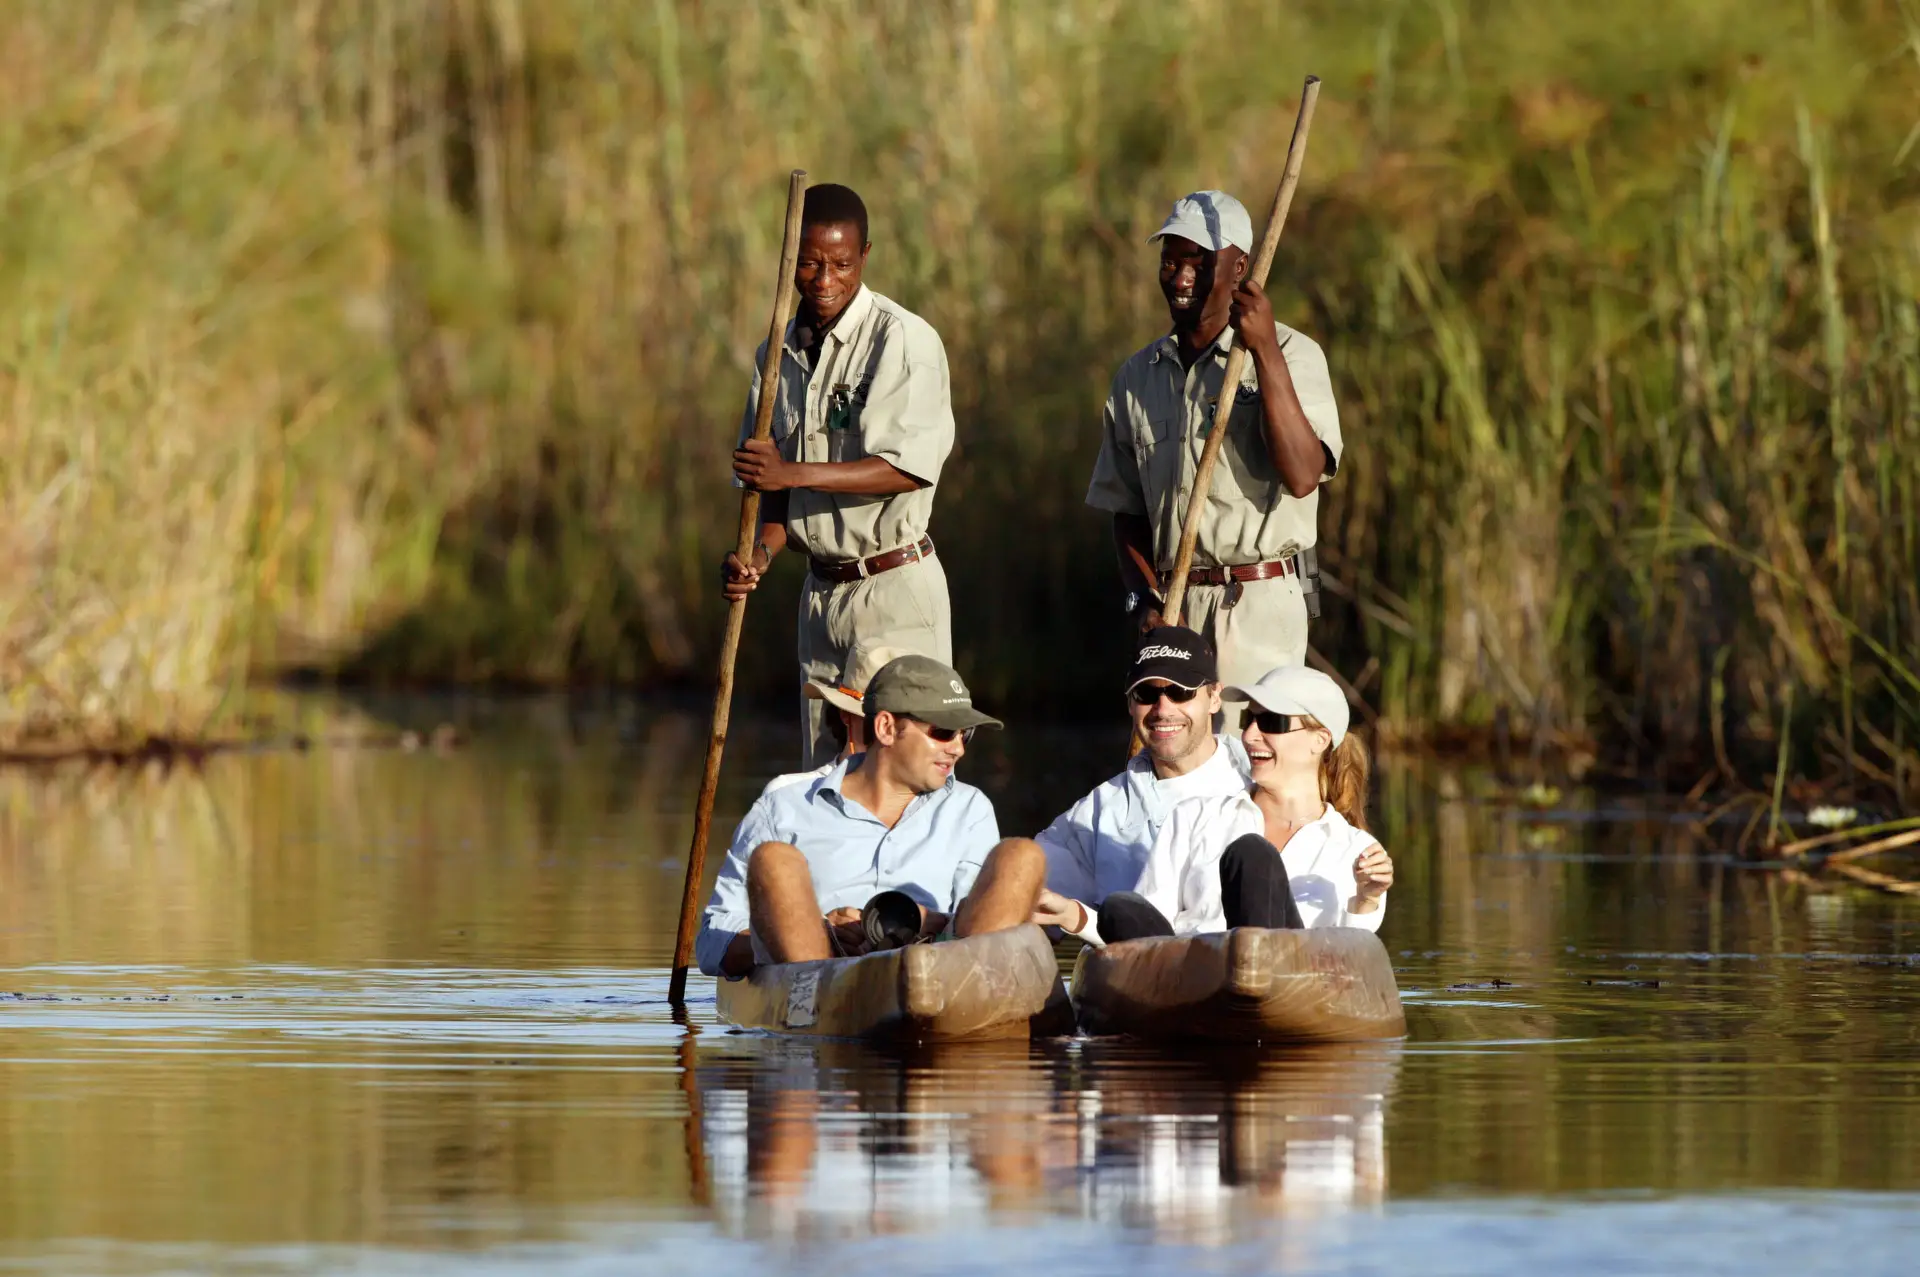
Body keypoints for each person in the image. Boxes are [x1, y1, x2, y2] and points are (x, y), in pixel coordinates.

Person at [720, 183, 956, 768]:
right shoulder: (775, 356)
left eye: (841, 264)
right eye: (808, 263)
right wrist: (759, 555)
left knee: (906, 773)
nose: (824, 280)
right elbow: (771, 494)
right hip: (820, 599)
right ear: (788, 261)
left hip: (894, 589)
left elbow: (905, 469)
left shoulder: (902, 340)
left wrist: (788, 471)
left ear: (865, 256)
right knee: (826, 778)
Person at [1084, 190, 1343, 691]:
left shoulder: (1292, 352)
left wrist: (1264, 349)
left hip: (1256, 606)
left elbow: (1304, 474)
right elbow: (1128, 511)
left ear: (1241, 268)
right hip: (1175, 608)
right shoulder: (1138, 376)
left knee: (1250, 761)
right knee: (1169, 762)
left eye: (1199, 265)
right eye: (1170, 263)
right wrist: (1144, 599)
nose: (1181, 280)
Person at [695, 655, 1049, 977]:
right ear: (886, 729)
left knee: (1022, 856)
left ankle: (965, 1010)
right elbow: (713, 944)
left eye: (965, 734)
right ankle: (819, 992)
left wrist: (926, 921)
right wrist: (814, 930)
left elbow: (980, 922)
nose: (956, 748)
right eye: (942, 732)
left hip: (941, 978)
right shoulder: (782, 809)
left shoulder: (971, 809)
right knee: (774, 859)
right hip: (818, 982)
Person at [1097, 665, 1394, 943]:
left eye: (1270, 722)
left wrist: (1366, 898)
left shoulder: (1356, 850)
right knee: (1119, 908)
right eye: (1248, 720)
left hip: (1291, 983)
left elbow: (1348, 965)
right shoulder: (1194, 816)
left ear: (1319, 740)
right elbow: (1151, 919)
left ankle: (1247, 979)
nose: (1249, 735)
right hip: (1193, 979)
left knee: (1250, 855)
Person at [1027, 626, 1250, 944]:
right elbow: (1024, 876)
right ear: (1130, 704)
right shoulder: (1101, 810)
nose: (1163, 709)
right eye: (1146, 695)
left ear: (1214, 696)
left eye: (1180, 691)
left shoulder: (1257, 776)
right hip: (1145, 980)